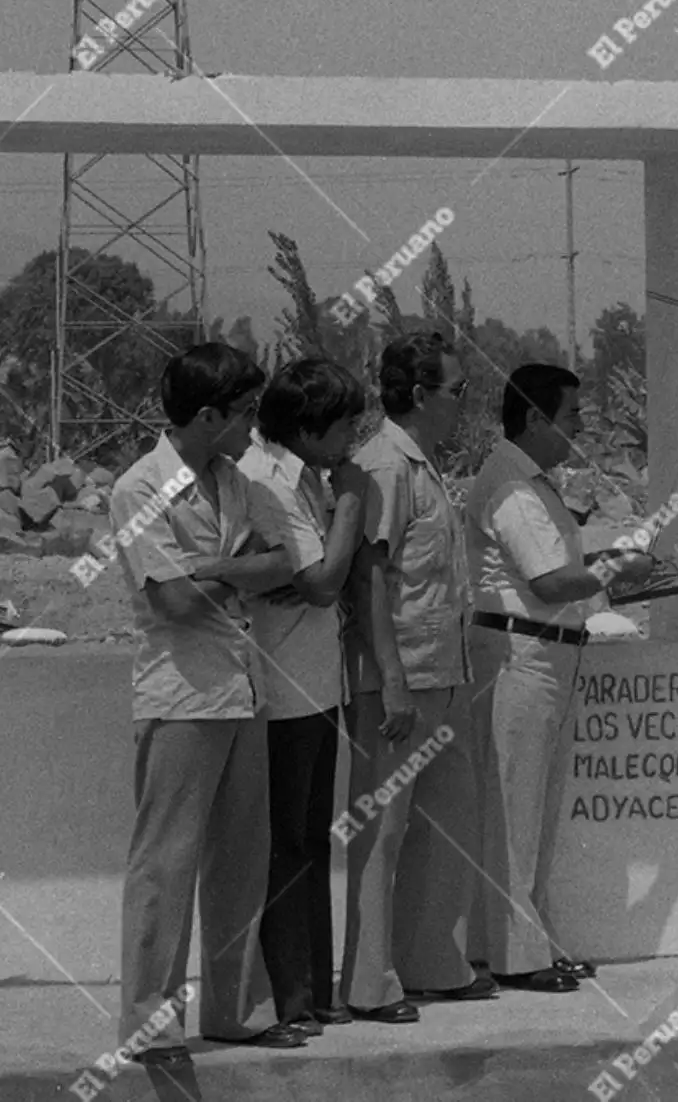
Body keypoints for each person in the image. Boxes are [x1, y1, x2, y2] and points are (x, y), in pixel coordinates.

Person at [114, 343, 310, 1066]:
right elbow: (171, 600)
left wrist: (214, 569)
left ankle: (234, 1010)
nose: (253, 427)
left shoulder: (233, 480)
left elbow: (284, 559)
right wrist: (240, 572)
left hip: (240, 688)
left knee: (240, 860)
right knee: (166, 864)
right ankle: (149, 1023)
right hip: (182, 694)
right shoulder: (139, 490)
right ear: (206, 416)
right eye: (243, 413)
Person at [465, 365, 653, 992]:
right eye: (572, 416)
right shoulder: (513, 488)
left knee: (536, 813)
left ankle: (532, 942)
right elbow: (548, 583)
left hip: (548, 655)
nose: (580, 428)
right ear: (536, 420)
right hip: (521, 658)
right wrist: (620, 569)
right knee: (517, 814)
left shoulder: (534, 484)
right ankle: (517, 958)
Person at [340, 331, 491, 1021]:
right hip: (400, 680)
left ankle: (433, 962)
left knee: (443, 823)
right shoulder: (384, 467)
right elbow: (370, 574)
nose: (463, 404)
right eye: (456, 392)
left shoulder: (424, 465)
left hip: (442, 672)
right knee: (386, 831)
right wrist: (391, 680)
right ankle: (371, 985)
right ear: (420, 394)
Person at [240, 357, 370, 1034]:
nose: (354, 432)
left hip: (317, 680)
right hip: (282, 686)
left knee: (313, 842)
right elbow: (319, 581)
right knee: (287, 844)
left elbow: (320, 578)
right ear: (309, 425)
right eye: (346, 421)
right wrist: (350, 506)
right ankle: (289, 998)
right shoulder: (270, 482)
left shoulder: (303, 477)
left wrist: (321, 571)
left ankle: (316, 991)